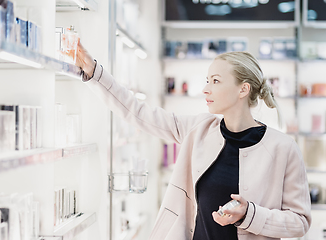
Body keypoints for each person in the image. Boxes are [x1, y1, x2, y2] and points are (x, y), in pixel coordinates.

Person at [75, 41, 311, 240]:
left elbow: (300, 221)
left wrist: (250, 214)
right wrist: (95, 73)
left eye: (215, 81)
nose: (205, 89)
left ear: (243, 89)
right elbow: (139, 113)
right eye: (207, 80)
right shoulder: (198, 129)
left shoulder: (283, 148)